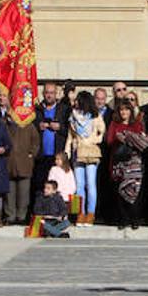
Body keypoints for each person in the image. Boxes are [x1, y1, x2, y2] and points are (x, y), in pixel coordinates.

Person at [105, 99, 148, 230]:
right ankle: (123, 219)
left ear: (131, 111)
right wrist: (119, 138)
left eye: (127, 109)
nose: (124, 112)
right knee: (120, 191)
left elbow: (143, 140)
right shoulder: (114, 124)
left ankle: (134, 218)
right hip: (119, 162)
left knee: (134, 190)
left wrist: (131, 137)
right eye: (121, 110)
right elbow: (109, 141)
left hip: (134, 163)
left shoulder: (137, 124)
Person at [66, 90, 103, 224]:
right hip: (77, 151)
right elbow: (70, 136)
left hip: (91, 152)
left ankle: (91, 213)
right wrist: (67, 152)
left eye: (78, 100)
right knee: (79, 185)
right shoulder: (73, 116)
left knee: (91, 184)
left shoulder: (95, 116)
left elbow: (101, 132)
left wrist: (93, 140)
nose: (75, 102)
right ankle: (80, 213)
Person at [4, 106, 40, 224]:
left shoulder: (28, 125)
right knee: (10, 193)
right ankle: (10, 216)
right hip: (9, 164)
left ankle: (21, 216)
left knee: (23, 193)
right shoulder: (5, 126)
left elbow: (36, 141)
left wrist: (31, 154)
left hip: (25, 164)